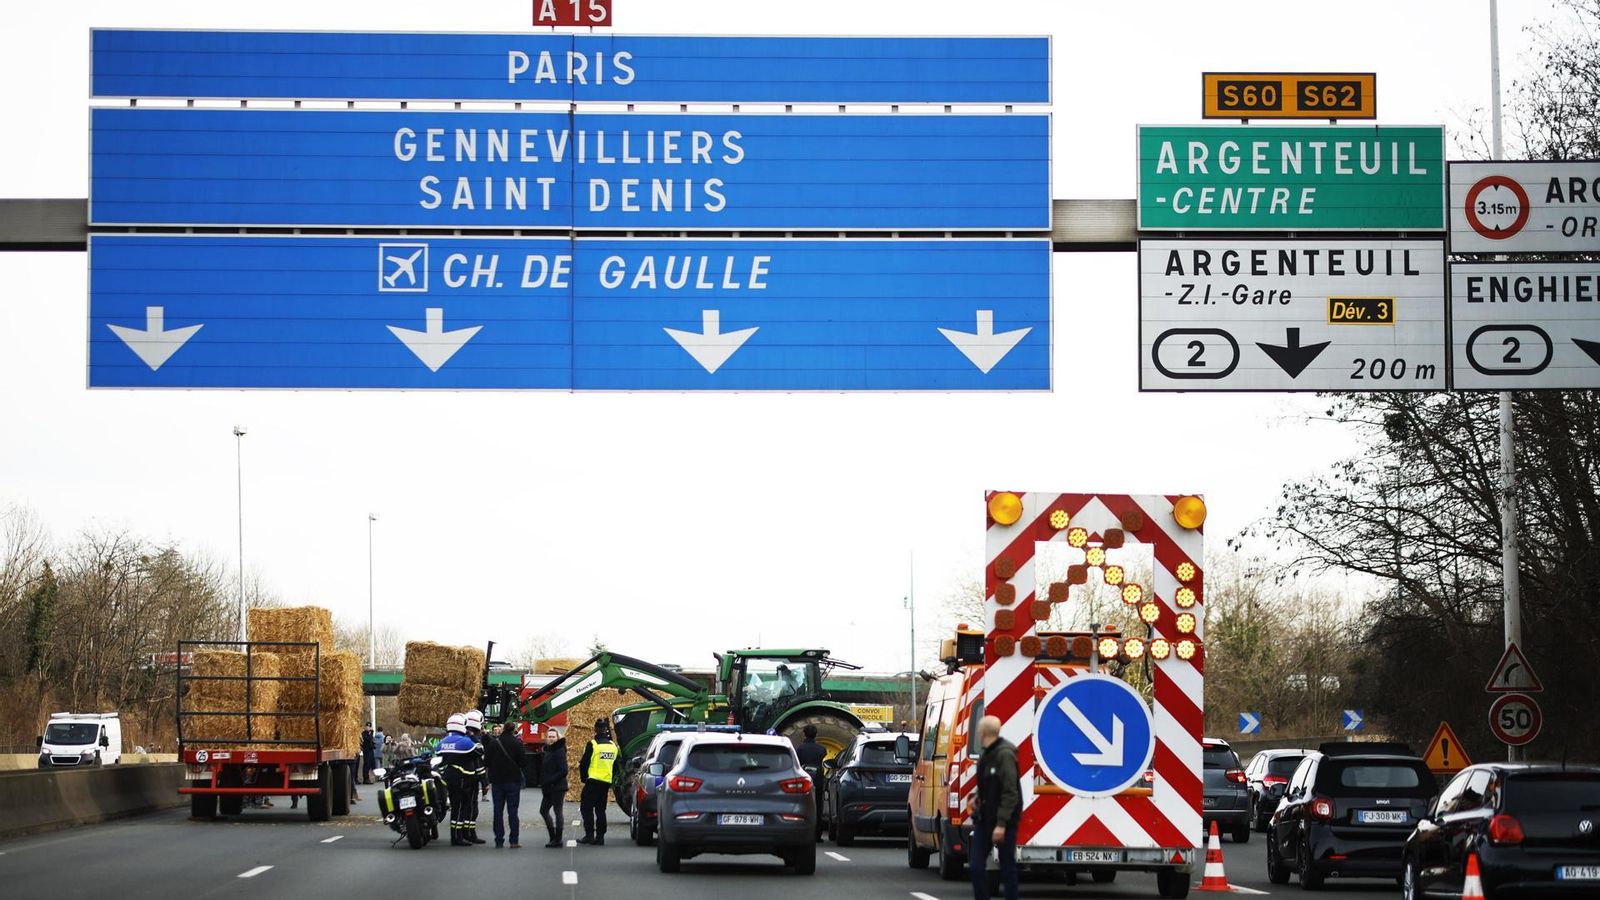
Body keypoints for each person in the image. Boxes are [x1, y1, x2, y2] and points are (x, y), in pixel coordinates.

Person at [970, 715, 1020, 900]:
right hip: (985, 818)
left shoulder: (1004, 754)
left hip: (1003, 822)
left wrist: (1001, 824)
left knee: (1007, 869)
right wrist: (977, 798)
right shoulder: (986, 755)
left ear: (982, 732)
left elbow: (1010, 791)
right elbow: (988, 785)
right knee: (975, 867)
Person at [438, 713, 479, 846]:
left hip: (448, 778)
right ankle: (458, 837)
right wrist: (472, 736)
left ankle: (455, 835)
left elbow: (438, 756)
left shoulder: (443, 742)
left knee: (455, 807)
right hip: (463, 780)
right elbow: (479, 751)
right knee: (461, 808)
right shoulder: (465, 741)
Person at [576, 718, 618, 845]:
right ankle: (600, 837)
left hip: (593, 781)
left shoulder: (592, 744)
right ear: (606, 730)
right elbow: (616, 765)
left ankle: (589, 835)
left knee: (586, 808)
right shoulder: (613, 746)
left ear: (595, 729)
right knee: (600, 810)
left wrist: (584, 778)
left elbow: (584, 763)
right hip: (605, 782)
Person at [486, 723, 529, 848]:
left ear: (503, 729)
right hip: (513, 781)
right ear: (514, 730)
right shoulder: (517, 744)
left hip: (497, 781)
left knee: (498, 811)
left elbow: (486, 761)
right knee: (513, 811)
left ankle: (499, 839)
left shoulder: (494, 743)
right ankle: (514, 840)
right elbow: (523, 763)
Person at [792, 724, 828, 841]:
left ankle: (802, 832)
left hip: (804, 780)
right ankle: (817, 835)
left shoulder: (800, 749)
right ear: (816, 735)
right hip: (818, 780)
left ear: (804, 734)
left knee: (803, 805)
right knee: (818, 806)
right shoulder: (821, 749)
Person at [538, 727, 568, 848]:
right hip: (548, 786)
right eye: (549, 737)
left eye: (553, 737)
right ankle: (553, 836)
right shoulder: (548, 750)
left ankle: (558, 838)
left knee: (557, 811)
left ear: (557, 737)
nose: (551, 739)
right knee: (543, 810)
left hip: (557, 787)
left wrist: (550, 780)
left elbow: (563, 770)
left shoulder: (559, 750)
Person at [463, 709, 489, 844]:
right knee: (472, 807)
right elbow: (478, 764)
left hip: (459, 778)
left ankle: (461, 834)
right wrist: (484, 782)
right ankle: (470, 834)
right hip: (471, 778)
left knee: (462, 807)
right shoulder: (473, 741)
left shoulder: (461, 738)